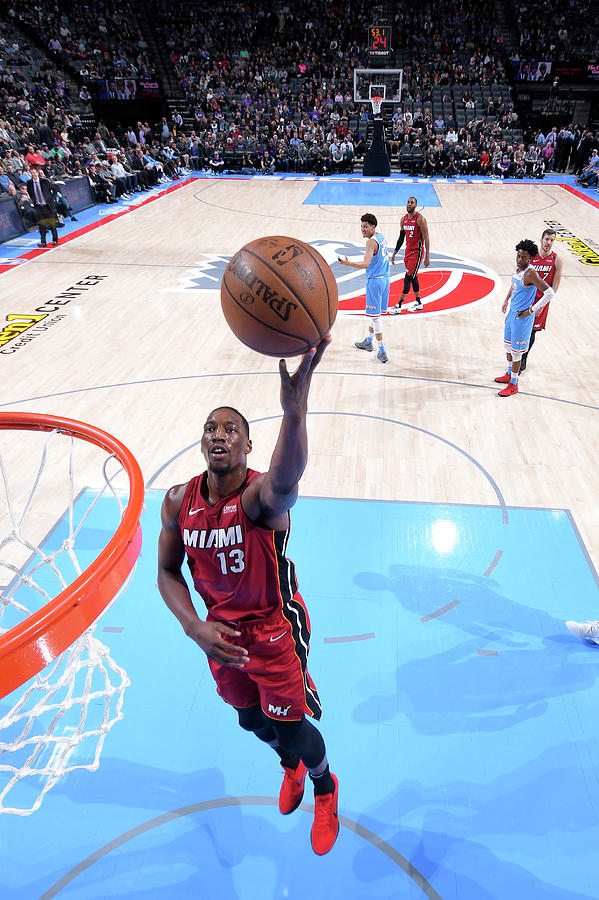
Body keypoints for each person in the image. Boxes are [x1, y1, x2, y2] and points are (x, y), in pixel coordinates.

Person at [157, 339, 340, 856]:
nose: (220, 434)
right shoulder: (177, 501)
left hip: (275, 629)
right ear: (202, 444)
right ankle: (289, 767)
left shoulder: (261, 498)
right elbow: (166, 572)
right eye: (211, 428)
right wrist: (196, 628)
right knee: (250, 719)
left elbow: (289, 476)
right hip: (220, 635)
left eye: (231, 429)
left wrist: (294, 414)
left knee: (291, 726)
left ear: (247, 447)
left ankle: (324, 786)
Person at [494, 239, 556, 397]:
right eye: (518, 256)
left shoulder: (531, 273)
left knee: (516, 353)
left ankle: (513, 384)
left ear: (530, 258)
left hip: (523, 318)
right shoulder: (518, 269)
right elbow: (513, 286)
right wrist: (506, 300)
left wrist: (532, 310)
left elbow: (549, 293)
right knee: (507, 346)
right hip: (512, 314)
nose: (520, 259)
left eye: (524, 257)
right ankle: (508, 374)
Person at [338, 213, 390, 363]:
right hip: (385, 280)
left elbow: (366, 264)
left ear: (373, 227)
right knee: (374, 315)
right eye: (361, 226)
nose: (363, 229)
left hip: (375, 281)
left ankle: (382, 350)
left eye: (366, 226)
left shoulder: (371, 243)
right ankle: (368, 341)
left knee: (375, 318)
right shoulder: (382, 237)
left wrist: (348, 263)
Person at [520, 229, 562, 373]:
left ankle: (523, 358)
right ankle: (518, 356)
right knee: (522, 329)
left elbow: (554, 287)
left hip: (542, 302)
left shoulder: (556, 259)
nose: (549, 243)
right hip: (527, 299)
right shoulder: (532, 257)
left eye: (552, 240)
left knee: (532, 332)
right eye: (547, 239)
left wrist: (542, 305)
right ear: (541, 239)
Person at [389, 196, 430, 313]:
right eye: (408, 202)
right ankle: (418, 302)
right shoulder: (403, 219)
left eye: (411, 203)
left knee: (408, 277)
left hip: (417, 252)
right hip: (408, 251)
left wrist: (427, 256)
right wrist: (394, 253)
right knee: (413, 277)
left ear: (416, 205)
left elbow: (426, 238)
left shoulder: (420, 219)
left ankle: (399, 305)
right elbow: (401, 238)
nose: (409, 204)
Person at [27, 167, 59, 247]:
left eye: (34, 173)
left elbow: (55, 189)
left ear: (37, 173)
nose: (33, 174)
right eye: (31, 173)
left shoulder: (44, 181)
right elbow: (30, 193)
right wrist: (34, 201)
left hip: (48, 206)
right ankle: (43, 242)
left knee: (52, 224)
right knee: (42, 225)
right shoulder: (29, 182)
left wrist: (53, 199)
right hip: (39, 207)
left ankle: (55, 239)